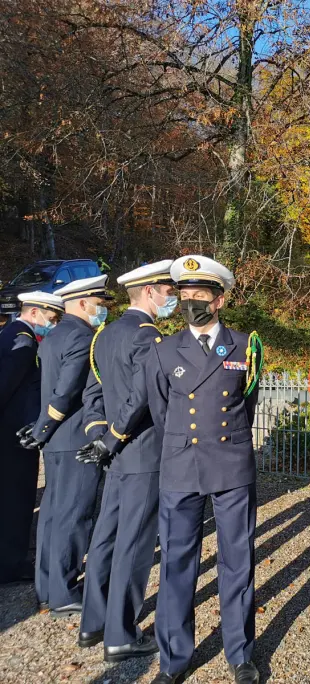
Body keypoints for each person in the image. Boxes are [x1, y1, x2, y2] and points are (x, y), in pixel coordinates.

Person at [147, 255, 263, 684]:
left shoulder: (244, 346)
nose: (191, 303)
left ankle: (240, 654)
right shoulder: (163, 350)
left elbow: (246, 406)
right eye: (185, 295)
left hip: (231, 463)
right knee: (177, 564)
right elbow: (161, 412)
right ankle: (174, 659)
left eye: (200, 295)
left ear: (219, 300)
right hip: (181, 465)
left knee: (237, 561)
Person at [74, 261, 177, 661]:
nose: (171, 298)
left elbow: (92, 394)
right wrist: (115, 437)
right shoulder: (148, 336)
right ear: (150, 292)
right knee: (134, 544)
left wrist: (102, 440)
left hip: (115, 454)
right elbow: (142, 396)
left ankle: (93, 622)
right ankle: (120, 634)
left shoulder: (105, 335)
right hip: (142, 450)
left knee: (106, 537)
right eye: (168, 291)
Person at [19, 275, 112, 615]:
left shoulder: (54, 335)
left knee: (53, 514)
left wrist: (42, 430)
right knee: (74, 515)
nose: (102, 310)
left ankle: (46, 588)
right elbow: (67, 390)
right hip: (75, 437)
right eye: (99, 304)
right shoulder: (83, 337)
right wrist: (43, 427)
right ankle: (64, 592)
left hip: (57, 440)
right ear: (83, 303)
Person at [0, 291, 63, 585]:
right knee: (17, 498)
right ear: (34, 313)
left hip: (10, 430)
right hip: (14, 432)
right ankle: (11, 564)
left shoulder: (11, 332)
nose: (53, 323)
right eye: (51, 318)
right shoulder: (24, 343)